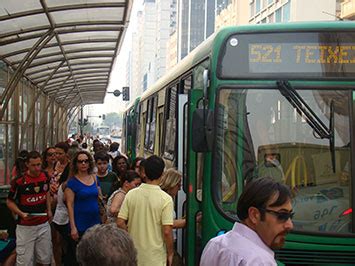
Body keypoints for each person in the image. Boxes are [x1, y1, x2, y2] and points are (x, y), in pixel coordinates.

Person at [200, 177, 294, 266]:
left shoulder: (214, 244)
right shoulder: (260, 261)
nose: (290, 225)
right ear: (254, 215)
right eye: (282, 215)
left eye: (291, 216)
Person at [117, 155, 174, 266]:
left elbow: (120, 222)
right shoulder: (166, 199)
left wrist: (131, 236)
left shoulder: (131, 194)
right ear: (162, 174)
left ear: (144, 173)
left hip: (134, 256)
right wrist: (170, 253)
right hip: (155, 258)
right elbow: (167, 231)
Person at [7, 151, 52, 266]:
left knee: (45, 259)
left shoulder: (45, 176)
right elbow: (9, 201)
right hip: (25, 226)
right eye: (33, 165)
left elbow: (47, 192)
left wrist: (49, 210)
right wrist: (21, 213)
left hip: (43, 224)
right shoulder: (19, 181)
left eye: (39, 164)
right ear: (27, 164)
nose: (37, 168)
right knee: (24, 262)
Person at [65, 150, 101, 265]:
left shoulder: (95, 178)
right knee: (81, 257)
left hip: (95, 222)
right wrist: (73, 227)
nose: (83, 164)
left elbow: (99, 198)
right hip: (80, 224)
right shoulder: (71, 183)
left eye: (86, 161)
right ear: (76, 164)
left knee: (95, 255)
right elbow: (69, 205)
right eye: (80, 162)